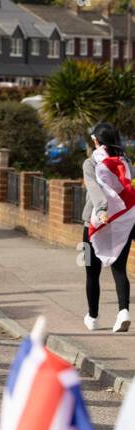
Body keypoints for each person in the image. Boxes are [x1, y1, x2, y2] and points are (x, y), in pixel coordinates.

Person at [81, 122, 133, 332]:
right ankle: (123, 312)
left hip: (93, 222)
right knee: (119, 268)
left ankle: (93, 317)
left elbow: (94, 189)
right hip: (123, 222)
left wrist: (102, 210)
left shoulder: (90, 163)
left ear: (96, 140)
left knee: (91, 271)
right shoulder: (125, 161)